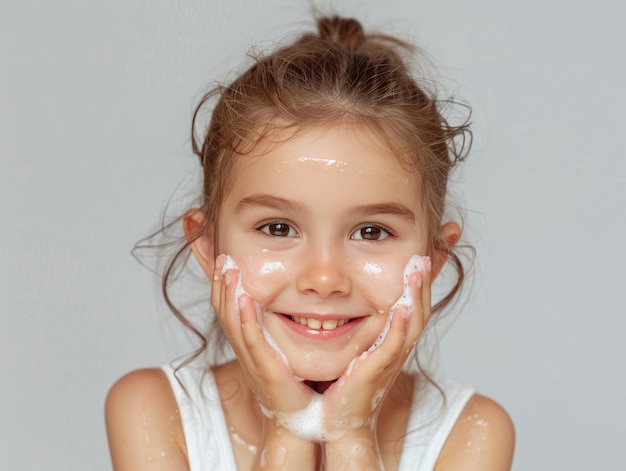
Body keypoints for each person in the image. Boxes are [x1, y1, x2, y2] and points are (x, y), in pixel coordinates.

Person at [105, 14, 515, 471]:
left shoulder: (471, 433)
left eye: (372, 232)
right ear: (207, 245)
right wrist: (289, 427)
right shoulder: (154, 411)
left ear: (434, 260)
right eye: (278, 228)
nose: (324, 278)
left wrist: (349, 435)